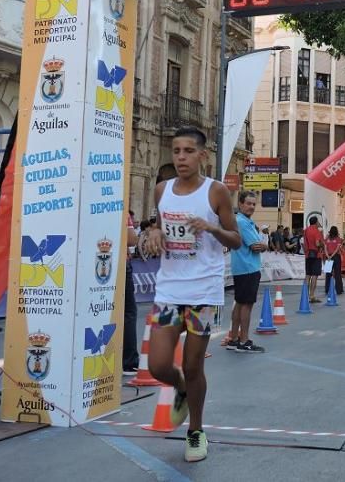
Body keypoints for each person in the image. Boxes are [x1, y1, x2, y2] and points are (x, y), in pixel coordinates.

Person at [145, 127, 241, 463]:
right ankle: (181, 388)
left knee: (193, 363)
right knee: (158, 365)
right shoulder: (161, 190)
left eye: (188, 151)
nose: (181, 157)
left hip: (203, 291)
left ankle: (196, 430)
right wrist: (155, 232)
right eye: (176, 151)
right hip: (169, 290)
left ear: (203, 155)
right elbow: (158, 225)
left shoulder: (216, 193)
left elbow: (236, 239)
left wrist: (213, 227)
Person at [228, 190, 266, 353]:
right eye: (248, 203)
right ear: (240, 204)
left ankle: (234, 339)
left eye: (253, 204)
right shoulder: (243, 222)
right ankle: (244, 341)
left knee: (239, 303)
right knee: (247, 305)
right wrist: (264, 245)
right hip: (249, 267)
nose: (251, 206)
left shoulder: (239, 221)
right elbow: (256, 246)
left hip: (240, 268)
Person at [122, 213, 140, 375]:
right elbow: (131, 239)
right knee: (128, 312)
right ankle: (129, 361)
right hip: (120, 264)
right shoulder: (120, 207)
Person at [302, 216, 324, 303]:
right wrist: (322, 245)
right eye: (318, 221)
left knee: (308, 275)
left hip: (308, 255)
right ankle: (312, 295)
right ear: (315, 222)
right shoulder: (317, 231)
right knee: (314, 276)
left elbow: (303, 243)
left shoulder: (306, 230)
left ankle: (305, 295)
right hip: (316, 255)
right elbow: (317, 244)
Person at [323, 226, 344, 296]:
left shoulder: (327, 239)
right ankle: (339, 290)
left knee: (328, 274)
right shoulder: (338, 239)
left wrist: (328, 256)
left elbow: (325, 248)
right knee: (337, 273)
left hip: (328, 256)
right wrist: (332, 256)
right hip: (336, 257)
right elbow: (337, 249)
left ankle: (327, 289)